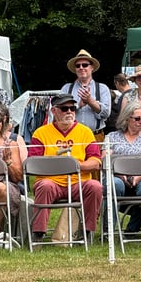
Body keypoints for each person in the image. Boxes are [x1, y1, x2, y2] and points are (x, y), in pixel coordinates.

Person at [27, 94, 103, 243]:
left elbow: (96, 162)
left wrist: (75, 165)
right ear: (54, 111)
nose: (69, 111)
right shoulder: (40, 133)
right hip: (50, 182)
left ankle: (87, 232)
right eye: (64, 108)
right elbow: (32, 163)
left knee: (95, 186)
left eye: (72, 108)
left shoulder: (85, 132)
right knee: (45, 186)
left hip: (77, 182)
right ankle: (38, 234)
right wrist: (59, 166)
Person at [102, 103, 141, 233]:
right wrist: (120, 174)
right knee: (114, 185)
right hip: (116, 176)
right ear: (127, 119)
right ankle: (108, 230)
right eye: (137, 118)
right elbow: (105, 160)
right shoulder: (112, 137)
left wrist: (138, 178)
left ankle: (133, 228)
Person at [61, 49, 111, 142]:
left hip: (95, 136)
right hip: (71, 136)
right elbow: (59, 113)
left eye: (85, 65)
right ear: (75, 69)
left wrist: (90, 101)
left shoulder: (102, 88)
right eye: (78, 65)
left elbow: (106, 114)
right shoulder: (66, 88)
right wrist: (78, 105)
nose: (81, 67)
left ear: (92, 67)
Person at [0, 104, 22, 233]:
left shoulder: (11, 144)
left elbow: (18, 178)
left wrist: (8, 162)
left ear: (3, 120)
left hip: (6, 185)